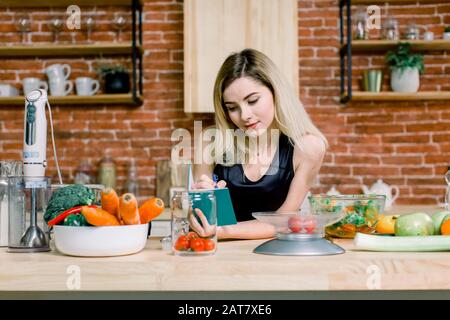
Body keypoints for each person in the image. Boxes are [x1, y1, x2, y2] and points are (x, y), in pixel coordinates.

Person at [191, 48, 328, 240]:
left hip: (275, 256)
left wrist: (224, 231)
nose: (244, 115)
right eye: (232, 108)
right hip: (220, 255)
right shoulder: (210, 141)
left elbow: (284, 221)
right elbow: (203, 219)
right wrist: (205, 200)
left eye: (253, 100)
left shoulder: (308, 148)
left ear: (275, 92)